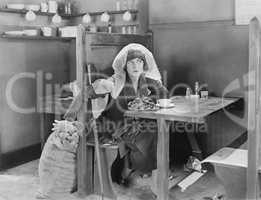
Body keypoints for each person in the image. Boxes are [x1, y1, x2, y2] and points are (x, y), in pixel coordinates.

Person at [64, 43, 168, 185]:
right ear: (124, 65)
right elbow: (86, 93)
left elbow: (165, 95)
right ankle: (144, 171)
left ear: (144, 65)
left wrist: (155, 94)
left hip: (138, 123)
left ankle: (146, 169)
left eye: (139, 62)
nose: (135, 66)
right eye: (131, 62)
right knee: (149, 133)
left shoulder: (148, 81)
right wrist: (69, 118)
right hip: (116, 125)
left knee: (159, 129)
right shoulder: (115, 81)